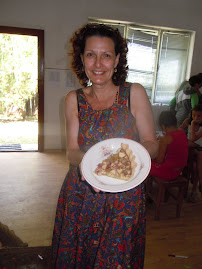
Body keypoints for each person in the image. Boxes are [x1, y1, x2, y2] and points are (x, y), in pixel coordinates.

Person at [51, 23, 158, 268]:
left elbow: (151, 142)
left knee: (116, 258)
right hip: (82, 193)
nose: (98, 64)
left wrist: (133, 161)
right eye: (91, 55)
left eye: (106, 55)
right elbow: (72, 151)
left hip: (125, 195)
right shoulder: (73, 100)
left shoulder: (134, 93)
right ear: (82, 58)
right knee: (80, 254)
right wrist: (90, 170)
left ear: (117, 59)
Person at [149, 110, 188, 181]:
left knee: (146, 165)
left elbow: (159, 160)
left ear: (163, 126)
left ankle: (146, 188)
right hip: (179, 170)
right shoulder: (182, 132)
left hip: (169, 172)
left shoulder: (165, 139)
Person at [180, 104, 202, 202]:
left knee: (196, 164)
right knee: (189, 164)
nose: (196, 118)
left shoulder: (197, 126)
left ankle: (195, 189)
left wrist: (192, 124)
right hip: (190, 150)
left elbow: (193, 139)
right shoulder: (187, 121)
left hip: (199, 150)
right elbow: (179, 129)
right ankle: (187, 189)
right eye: (194, 115)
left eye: (199, 116)